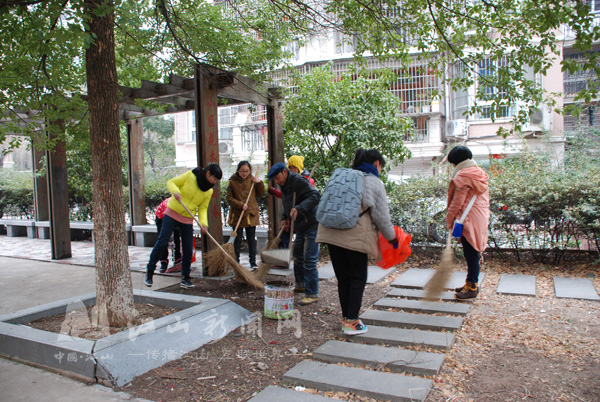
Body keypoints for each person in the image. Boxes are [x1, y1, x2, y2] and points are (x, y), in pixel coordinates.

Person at [316, 149, 398, 335]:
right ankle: (352, 322)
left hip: (330, 232)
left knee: (343, 278)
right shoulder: (374, 182)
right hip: (354, 236)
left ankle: (347, 318)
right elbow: (382, 218)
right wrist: (392, 238)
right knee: (357, 277)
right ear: (376, 163)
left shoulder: (340, 176)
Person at [145, 163, 222, 289]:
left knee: (187, 249)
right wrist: (175, 192)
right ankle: (150, 271)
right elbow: (171, 182)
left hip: (187, 218)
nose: (214, 182)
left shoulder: (208, 191)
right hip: (172, 213)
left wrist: (204, 224)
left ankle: (185, 277)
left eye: (216, 180)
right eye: (214, 178)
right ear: (208, 174)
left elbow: (202, 209)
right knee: (162, 241)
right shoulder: (190, 176)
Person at [267, 161, 321, 305]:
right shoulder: (283, 184)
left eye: (278, 178)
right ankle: (301, 284)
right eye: (275, 180)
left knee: (309, 259)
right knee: (297, 255)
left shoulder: (298, 181)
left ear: (284, 172)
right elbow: (287, 204)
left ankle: (312, 292)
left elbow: (316, 196)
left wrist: (299, 208)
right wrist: (285, 218)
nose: (277, 182)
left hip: (312, 223)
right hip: (300, 224)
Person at [446, 145, 490, 300]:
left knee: (470, 253)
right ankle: (470, 282)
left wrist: (449, 220)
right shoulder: (479, 173)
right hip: (479, 216)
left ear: (456, 162)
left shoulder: (463, 176)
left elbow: (457, 202)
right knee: (473, 251)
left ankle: (472, 286)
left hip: (468, 218)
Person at [267, 155, 315, 248]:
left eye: (294, 167)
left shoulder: (302, 181)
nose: (292, 169)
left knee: (306, 253)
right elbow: (287, 200)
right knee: (284, 238)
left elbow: (314, 197)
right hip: (292, 216)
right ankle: (280, 258)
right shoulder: (284, 182)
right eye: (290, 167)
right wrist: (284, 217)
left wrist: (299, 208)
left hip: (305, 219)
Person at [226, 161, 265, 269]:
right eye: (242, 171)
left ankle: (253, 262)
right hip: (238, 215)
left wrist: (259, 182)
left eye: (247, 171)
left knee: (251, 240)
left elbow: (261, 193)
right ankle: (236, 262)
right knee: (237, 240)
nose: (244, 173)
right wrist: (240, 204)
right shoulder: (232, 181)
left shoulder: (252, 180)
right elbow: (229, 198)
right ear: (238, 170)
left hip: (250, 215)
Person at [154, 197, 182, 273]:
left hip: (176, 217)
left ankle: (178, 260)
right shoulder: (170, 205)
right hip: (161, 217)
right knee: (163, 239)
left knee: (177, 238)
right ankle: (163, 262)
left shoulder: (185, 205)